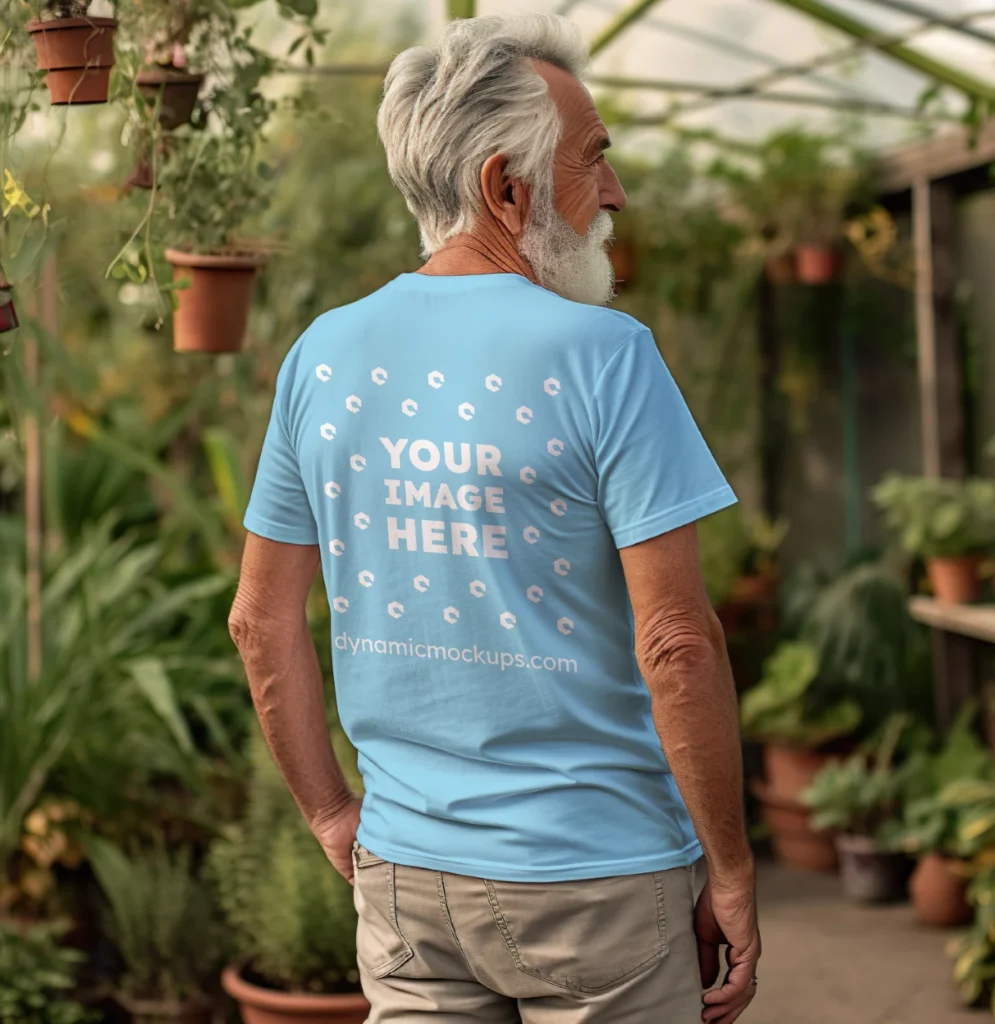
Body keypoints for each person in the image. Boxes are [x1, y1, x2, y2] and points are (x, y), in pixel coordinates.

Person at [230, 13, 760, 1024]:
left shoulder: (321, 356)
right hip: (598, 884)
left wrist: (332, 812)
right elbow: (678, 644)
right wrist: (730, 868)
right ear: (504, 186)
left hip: (404, 883)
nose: (612, 192)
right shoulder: (606, 354)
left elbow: (260, 622)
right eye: (592, 159)